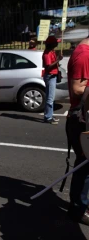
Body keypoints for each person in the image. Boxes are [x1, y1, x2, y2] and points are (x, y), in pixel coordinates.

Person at [66, 37, 89, 225]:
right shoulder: (84, 55)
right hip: (81, 120)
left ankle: (80, 204)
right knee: (84, 166)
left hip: (84, 117)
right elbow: (78, 89)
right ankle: (79, 208)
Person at [42, 35, 63, 124]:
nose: (57, 43)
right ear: (52, 44)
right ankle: (48, 117)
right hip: (50, 76)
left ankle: (49, 115)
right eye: (55, 42)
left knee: (50, 97)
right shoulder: (47, 54)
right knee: (50, 98)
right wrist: (58, 60)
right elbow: (48, 67)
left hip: (53, 76)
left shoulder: (51, 52)